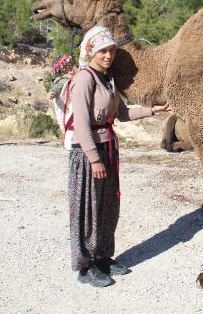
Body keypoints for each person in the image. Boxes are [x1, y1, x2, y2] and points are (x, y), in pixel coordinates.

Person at [68, 25, 169, 287]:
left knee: (108, 208)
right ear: (90, 51)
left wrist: (154, 110)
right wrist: (94, 158)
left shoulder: (108, 79)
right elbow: (80, 123)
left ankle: (102, 257)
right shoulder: (84, 79)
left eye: (111, 50)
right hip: (88, 152)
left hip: (109, 148)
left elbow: (122, 114)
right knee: (88, 209)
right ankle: (85, 265)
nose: (108, 55)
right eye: (102, 50)